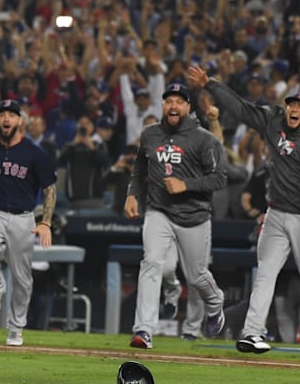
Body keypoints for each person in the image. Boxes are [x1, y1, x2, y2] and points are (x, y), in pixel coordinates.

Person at [187, 65, 300, 353]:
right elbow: (239, 108)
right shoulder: (273, 120)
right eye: (292, 104)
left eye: (299, 106)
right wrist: (210, 84)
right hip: (276, 214)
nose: (294, 109)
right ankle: (252, 333)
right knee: (265, 274)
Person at [125, 83, 228, 349]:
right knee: (151, 263)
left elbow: (219, 178)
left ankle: (216, 303)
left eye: (179, 102)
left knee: (195, 277)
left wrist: (186, 185)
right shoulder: (150, 135)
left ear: (188, 108)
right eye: (168, 101)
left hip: (194, 215)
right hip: (159, 211)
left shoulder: (204, 138)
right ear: (163, 106)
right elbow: (139, 168)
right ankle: (143, 330)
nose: (173, 106)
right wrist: (132, 194)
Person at [0, 99, 57, 347]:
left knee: (22, 278)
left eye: (11, 115)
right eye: (2, 115)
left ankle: (15, 328)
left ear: (21, 121)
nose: (6, 119)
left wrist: (46, 222)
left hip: (24, 217)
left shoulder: (35, 153)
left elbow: (49, 189)